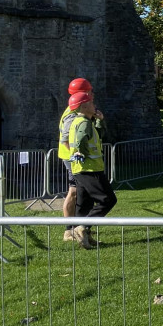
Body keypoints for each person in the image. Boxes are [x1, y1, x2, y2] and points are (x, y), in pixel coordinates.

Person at [57, 78, 106, 241]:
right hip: (73, 159)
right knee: (74, 192)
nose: (92, 94)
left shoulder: (79, 110)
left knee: (82, 194)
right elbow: (66, 139)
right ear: (83, 93)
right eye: (90, 91)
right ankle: (69, 230)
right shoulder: (72, 114)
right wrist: (79, 155)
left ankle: (80, 230)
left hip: (76, 159)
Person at [66, 91, 116, 248]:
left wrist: (100, 121)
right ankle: (82, 228)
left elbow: (98, 136)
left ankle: (84, 238)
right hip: (89, 169)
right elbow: (81, 140)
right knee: (108, 200)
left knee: (85, 204)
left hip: (81, 169)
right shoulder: (84, 123)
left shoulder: (83, 121)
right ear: (85, 106)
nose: (95, 105)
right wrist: (81, 152)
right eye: (92, 103)